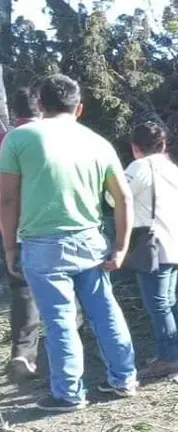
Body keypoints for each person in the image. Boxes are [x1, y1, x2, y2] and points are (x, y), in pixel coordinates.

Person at [0, 74, 138, 412]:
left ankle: (69, 394)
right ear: (79, 108)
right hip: (91, 239)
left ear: (41, 105)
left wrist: (10, 248)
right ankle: (124, 379)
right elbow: (123, 199)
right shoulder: (98, 142)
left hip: (43, 245)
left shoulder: (20, 138)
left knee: (59, 319)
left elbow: (7, 199)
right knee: (105, 311)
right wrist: (121, 246)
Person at [110, 121, 178, 379]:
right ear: (164, 144)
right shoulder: (172, 168)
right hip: (177, 241)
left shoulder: (140, 167)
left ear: (135, 147)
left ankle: (168, 358)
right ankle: (176, 350)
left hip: (154, 244)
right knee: (168, 300)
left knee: (156, 303)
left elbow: (114, 197)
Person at [1, 87, 41, 382]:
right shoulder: (53, 137)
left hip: (8, 226)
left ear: (14, 113)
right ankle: (56, 355)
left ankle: (22, 352)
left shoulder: (6, 139)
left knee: (21, 289)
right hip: (43, 224)